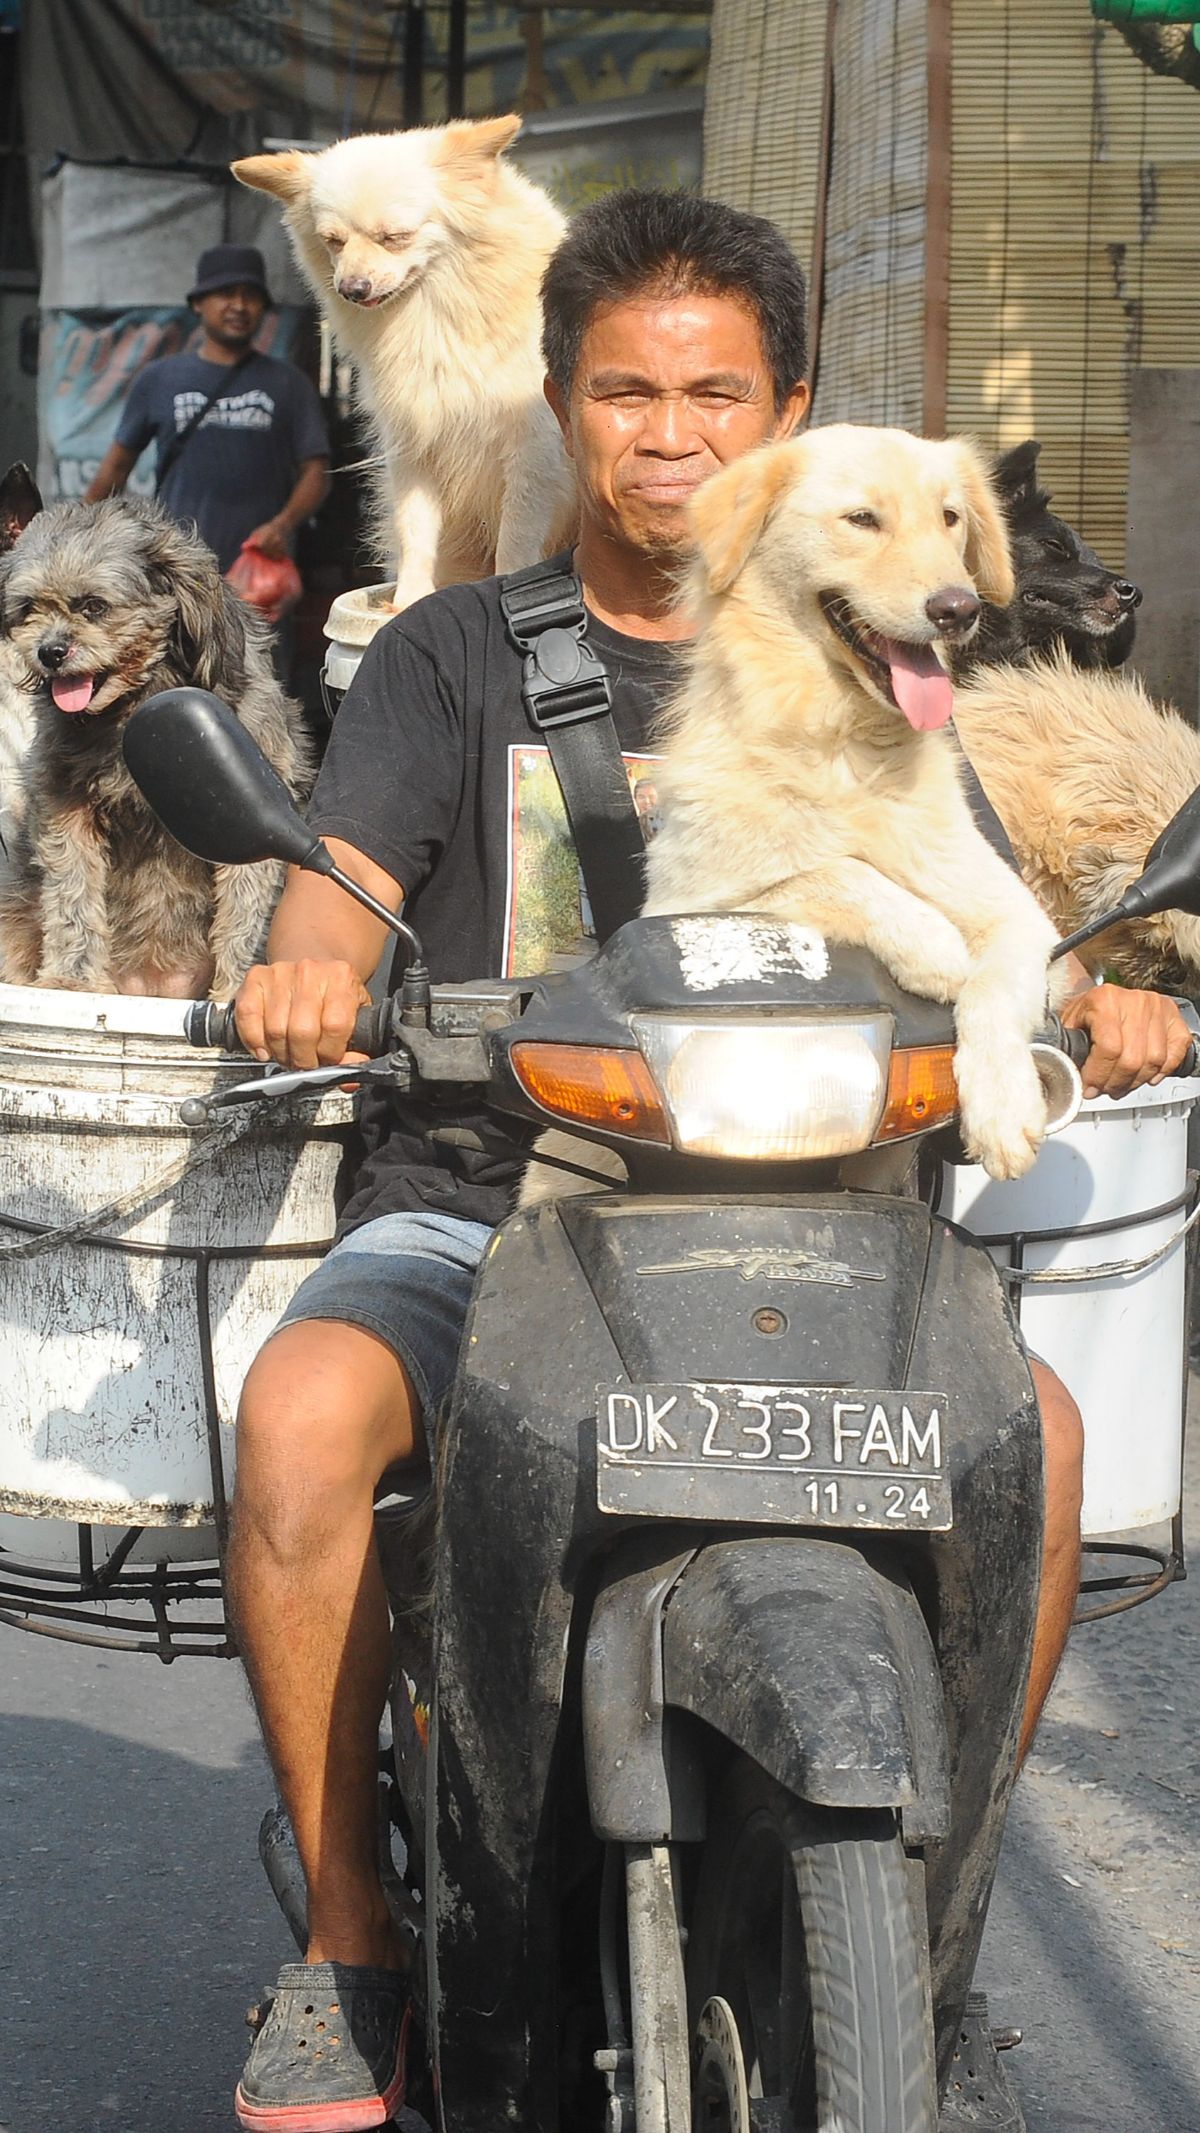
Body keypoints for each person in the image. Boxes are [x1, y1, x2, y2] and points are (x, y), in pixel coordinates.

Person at [226, 190, 1193, 2133]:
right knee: (306, 1413)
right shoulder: (448, 658)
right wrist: (312, 980)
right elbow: (330, 907)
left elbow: (1001, 905)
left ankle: (927, 1942)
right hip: (488, 1213)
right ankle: (348, 1947)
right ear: (559, 406)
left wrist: (1114, 992)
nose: (670, 434)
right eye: (624, 393)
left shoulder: (897, 667)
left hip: (826, 1223)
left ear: (794, 416)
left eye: (716, 395)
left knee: (1055, 1445)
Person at [84, 244, 331, 576]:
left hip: (258, 570)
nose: (239, 306)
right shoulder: (158, 380)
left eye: (251, 295)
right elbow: (115, 468)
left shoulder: (289, 384)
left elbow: (317, 472)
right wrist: (80, 535)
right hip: (176, 570)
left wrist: (283, 525)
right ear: (198, 303)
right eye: (226, 293)